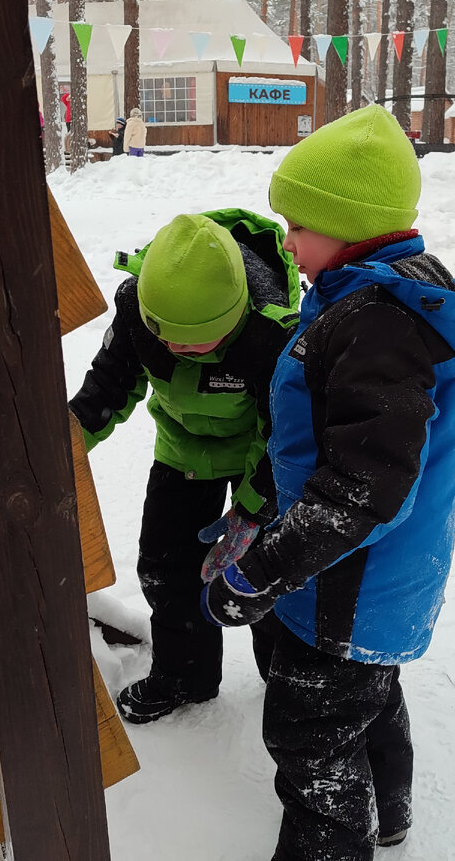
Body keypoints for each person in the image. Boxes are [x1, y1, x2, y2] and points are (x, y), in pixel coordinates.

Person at [202, 105, 455, 860]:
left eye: (299, 225)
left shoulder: (377, 326)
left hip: (346, 584)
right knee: (368, 695)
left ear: (350, 223)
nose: (287, 242)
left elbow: (364, 489)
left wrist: (262, 571)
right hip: (372, 583)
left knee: (312, 743)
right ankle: (389, 815)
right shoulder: (371, 296)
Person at [71, 210, 300, 724]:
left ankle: (284, 677)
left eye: (194, 341)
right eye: (164, 336)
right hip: (184, 451)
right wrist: (57, 446)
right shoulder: (137, 308)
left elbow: (282, 433)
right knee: (165, 567)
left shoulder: (270, 331)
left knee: (261, 573)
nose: (175, 349)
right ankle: (186, 674)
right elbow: (107, 388)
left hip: (257, 458)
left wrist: (252, 511)